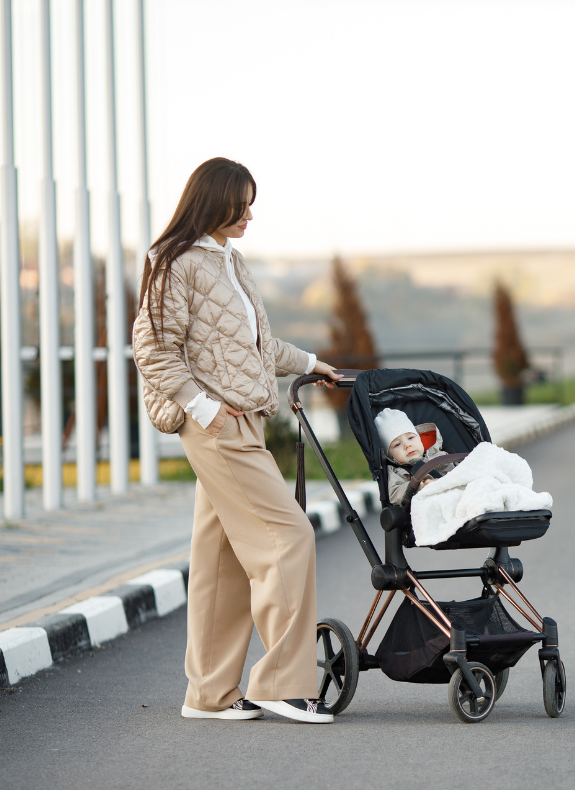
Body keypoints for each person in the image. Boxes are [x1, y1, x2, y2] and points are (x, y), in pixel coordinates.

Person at [133, 157, 341, 724]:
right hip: (217, 427)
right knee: (289, 535)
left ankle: (209, 694)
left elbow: (257, 347)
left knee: (222, 562)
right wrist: (205, 410)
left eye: (253, 203)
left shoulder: (230, 261)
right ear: (214, 200)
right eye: (241, 203)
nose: (250, 214)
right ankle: (281, 682)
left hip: (241, 420)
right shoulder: (174, 262)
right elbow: (152, 349)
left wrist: (314, 364)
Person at [376, 408, 453, 505]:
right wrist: (419, 487)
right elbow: (395, 493)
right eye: (397, 444)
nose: (407, 445)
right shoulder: (397, 472)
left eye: (411, 438)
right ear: (390, 456)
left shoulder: (439, 455)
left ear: (419, 438)